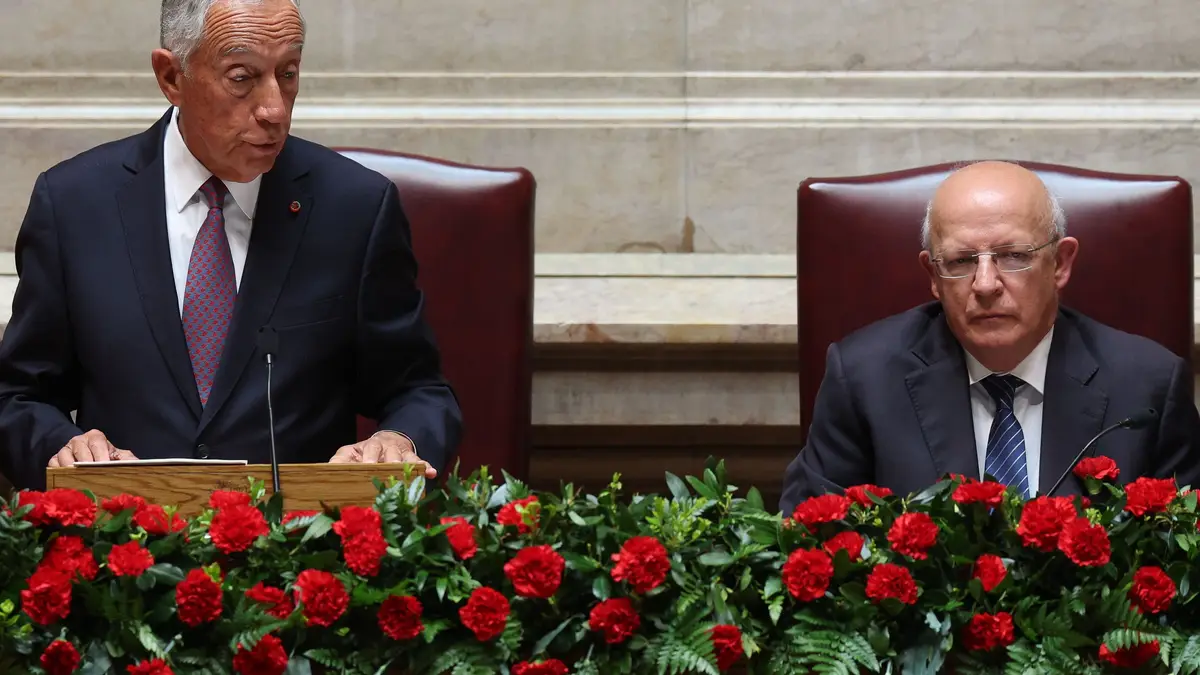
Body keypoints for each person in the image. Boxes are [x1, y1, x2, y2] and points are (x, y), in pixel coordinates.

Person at [0, 0, 462, 490]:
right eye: (242, 78)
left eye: (288, 73)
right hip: (125, 529)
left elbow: (419, 391)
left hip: (297, 532)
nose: (275, 109)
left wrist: (398, 439)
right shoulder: (73, 205)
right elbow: (18, 397)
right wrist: (61, 446)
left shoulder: (355, 207)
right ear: (171, 77)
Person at [780, 160, 1200, 513]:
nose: (985, 284)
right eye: (961, 261)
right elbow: (811, 543)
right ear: (933, 276)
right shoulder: (862, 380)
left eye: (1013, 256)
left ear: (1060, 263)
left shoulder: (1148, 388)